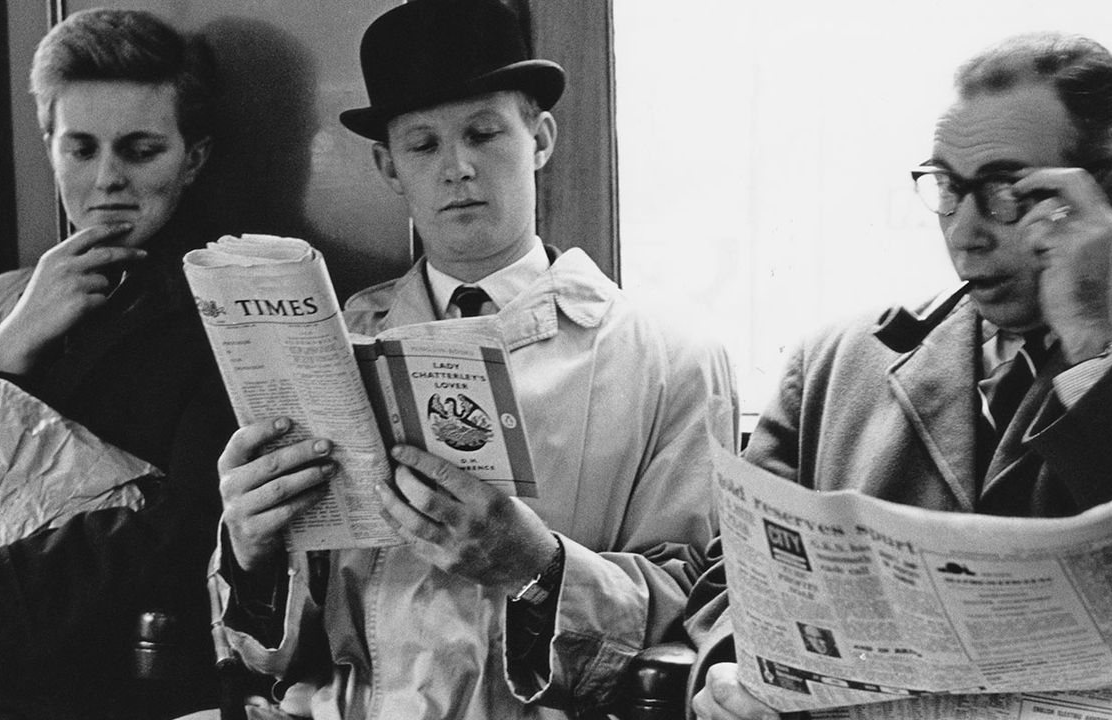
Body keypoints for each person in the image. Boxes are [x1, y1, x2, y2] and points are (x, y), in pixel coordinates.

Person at [212, 0, 739, 717]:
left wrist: (539, 568)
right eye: (422, 145)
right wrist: (249, 551)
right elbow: (262, 654)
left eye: (485, 133)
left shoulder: (669, 357)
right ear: (387, 166)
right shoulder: (326, 346)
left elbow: (692, 615)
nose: (457, 167)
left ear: (541, 138)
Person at [688, 31, 1112, 720]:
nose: (965, 231)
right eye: (948, 188)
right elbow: (733, 586)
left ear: (1110, 195)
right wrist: (727, 677)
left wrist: (1093, 343)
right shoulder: (832, 365)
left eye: (1004, 191)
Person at [0, 9, 234, 719]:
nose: (106, 180)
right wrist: (2, 354)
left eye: (140, 150)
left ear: (193, 158)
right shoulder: (0, 301)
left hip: (73, 674)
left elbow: (191, 526)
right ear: (49, 146)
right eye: (80, 149)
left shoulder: (228, 313)